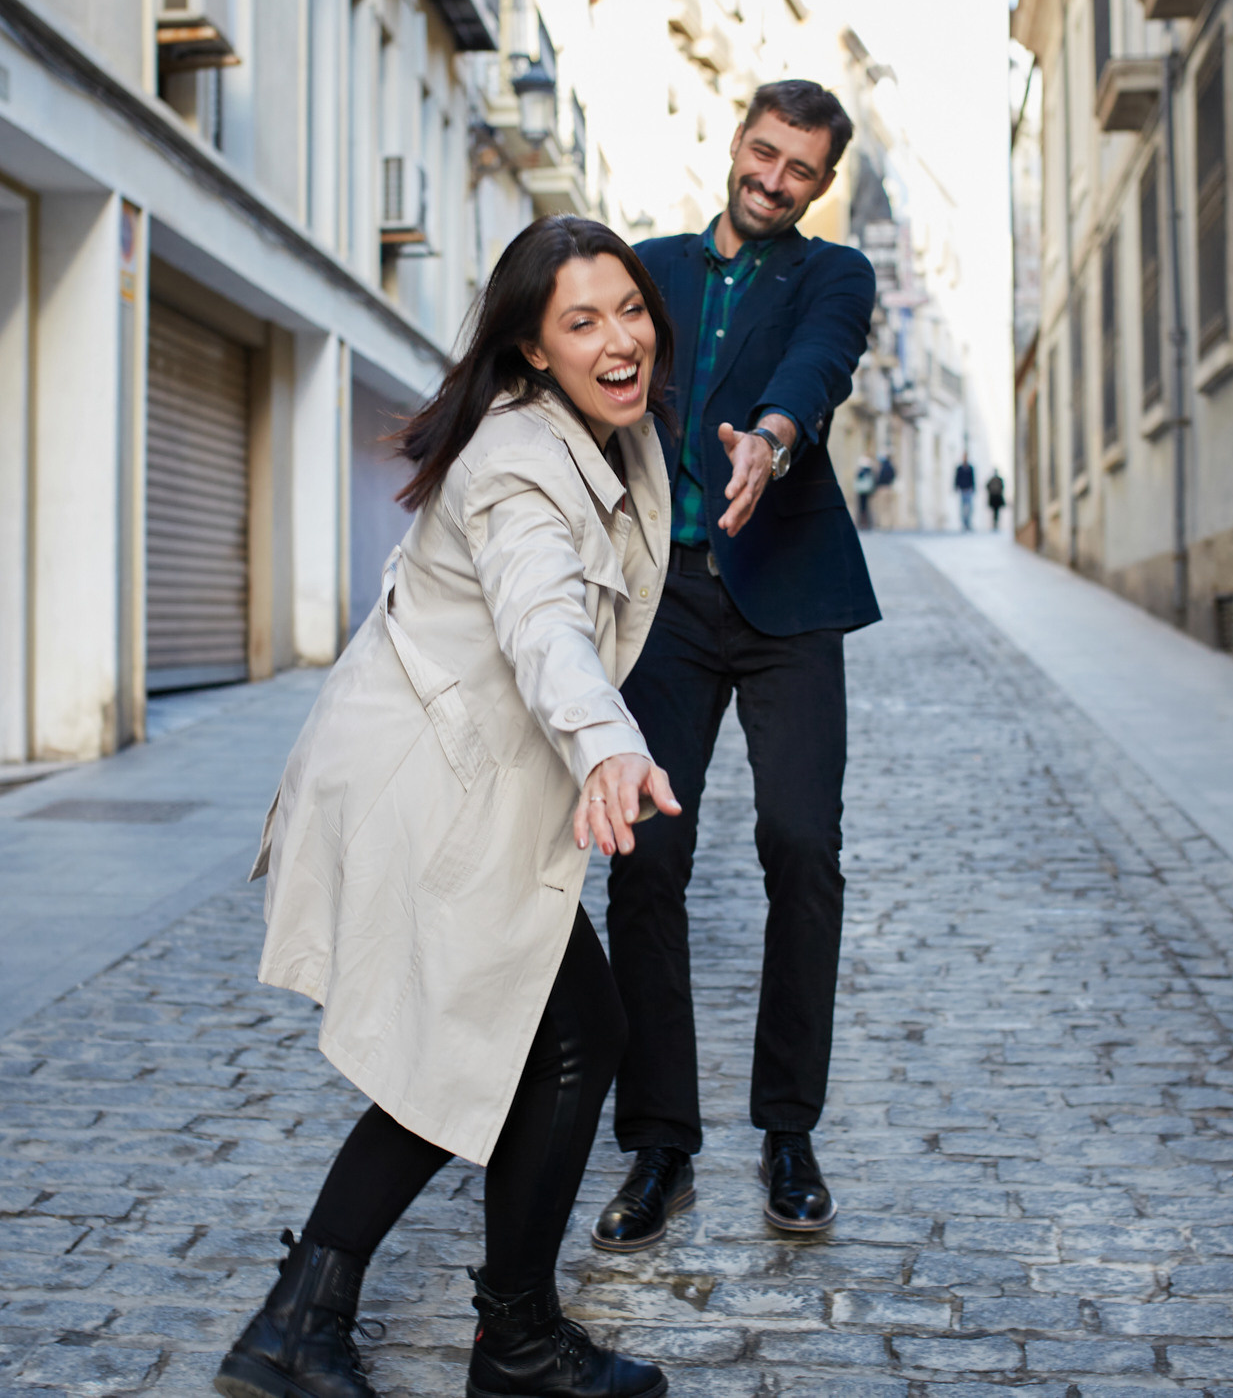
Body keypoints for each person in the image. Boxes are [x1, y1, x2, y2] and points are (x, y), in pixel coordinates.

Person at [219, 216, 682, 1398]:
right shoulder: (522, 459)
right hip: (427, 782)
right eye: (580, 321)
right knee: (563, 1038)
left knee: (520, 1041)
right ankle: (502, 1339)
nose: (617, 337)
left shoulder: (618, 435)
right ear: (531, 348)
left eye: (627, 306)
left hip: (464, 769)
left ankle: (311, 1321)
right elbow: (545, 624)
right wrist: (605, 744)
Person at [591, 79, 880, 1253]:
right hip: (665, 599)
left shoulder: (834, 275)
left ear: (821, 182)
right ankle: (659, 1140)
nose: (772, 179)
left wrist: (769, 437)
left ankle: (788, 1127)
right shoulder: (646, 264)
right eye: (763, 152)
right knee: (647, 855)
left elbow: (818, 363)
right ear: (735, 141)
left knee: (802, 847)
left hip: (788, 599)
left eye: (799, 169)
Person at [852, 458, 877, 530]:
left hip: (861, 492)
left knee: (862, 508)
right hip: (867, 492)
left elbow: (857, 480)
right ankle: (866, 524)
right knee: (866, 508)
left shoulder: (861, 472)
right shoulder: (870, 471)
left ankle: (863, 523)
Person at [953, 458, 977, 531]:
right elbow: (957, 478)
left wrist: (973, 488)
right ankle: (964, 523)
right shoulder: (960, 468)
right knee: (963, 508)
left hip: (968, 490)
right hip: (962, 489)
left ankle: (968, 523)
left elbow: (972, 478)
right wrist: (956, 486)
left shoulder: (970, 468)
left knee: (969, 508)